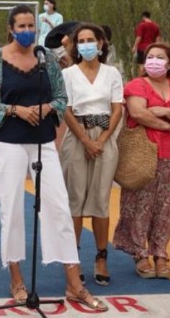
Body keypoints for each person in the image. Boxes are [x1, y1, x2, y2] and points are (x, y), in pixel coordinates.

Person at [0, 5, 106, 312]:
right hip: (9, 142)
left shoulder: (46, 59)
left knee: (59, 207)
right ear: (11, 29)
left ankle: (74, 283)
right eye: (21, 25)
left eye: (31, 25)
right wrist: (14, 110)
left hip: (43, 142)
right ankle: (16, 280)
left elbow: (61, 97)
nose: (27, 30)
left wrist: (47, 109)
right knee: (12, 208)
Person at [113, 42, 170, 279]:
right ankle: (140, 253)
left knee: (164, 205)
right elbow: (139, 113)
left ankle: (160, 253)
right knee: (140, 203)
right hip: (142, 153)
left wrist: (163, 110)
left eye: (160, 57)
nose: (154, 61)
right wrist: (169, 125)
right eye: (150, 56)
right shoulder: (136, 85)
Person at [60, 23, 123, 286]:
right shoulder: (68, 74)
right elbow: (66, 109)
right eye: (81, 40)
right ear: (76, 45)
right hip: (76, 137)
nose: (86, 44)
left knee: (100, 200)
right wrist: (86, 140)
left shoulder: (112, 73)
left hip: (105, 137)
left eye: (91, 40)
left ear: (101, 44)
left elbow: (117, 109)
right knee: (74, 201)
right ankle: (72, 262)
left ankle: (101, 258)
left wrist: (102, 140)